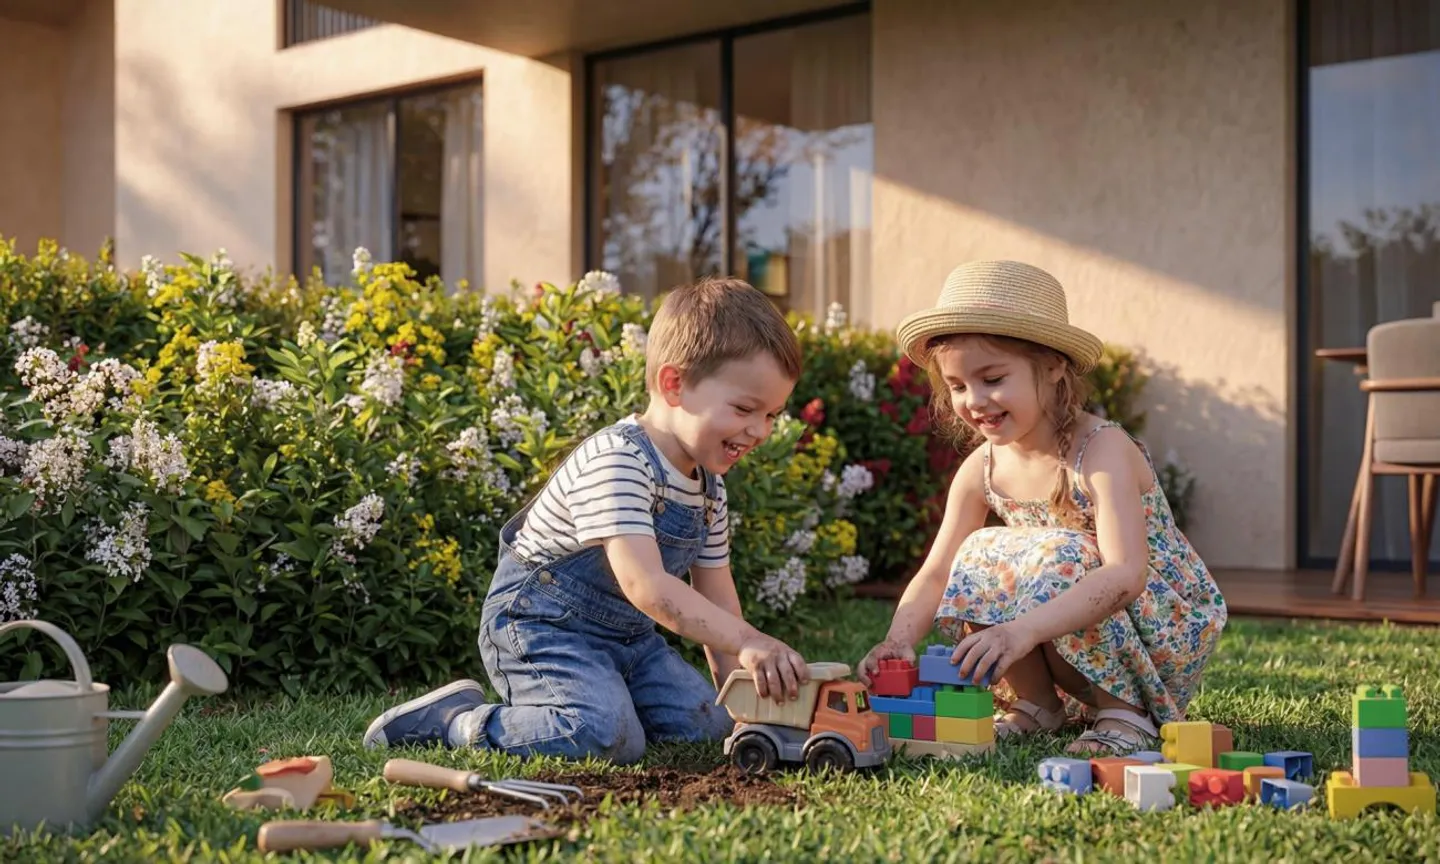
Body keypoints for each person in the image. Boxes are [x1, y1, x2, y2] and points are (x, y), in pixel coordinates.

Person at [363, 276, 812, 764]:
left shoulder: (709, 489)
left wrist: (744, 706)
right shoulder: (619, 460)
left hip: (629, 641)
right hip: (541, 627)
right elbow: (648, 588)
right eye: (746, 408)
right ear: (674, 384)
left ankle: (609, 698)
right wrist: (749, 641)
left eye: (772, 415)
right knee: (600, 734)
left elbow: (717, 599)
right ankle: (458, 722)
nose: (760, 430)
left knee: (710, 726)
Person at [857, 260, 1227, 756]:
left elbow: (1125, 575)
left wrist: (1022, 630)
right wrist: (898, 639)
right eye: (958, 385)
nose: (974, 401)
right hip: (1055, 630)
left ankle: (1125, 713)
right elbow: (939, 569)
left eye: (992, 378)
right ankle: (1038, 704)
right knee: (978, 551)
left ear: (1053, 366)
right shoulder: (981, 469)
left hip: (1159, 629)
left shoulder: (1101, 450)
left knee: (1064, 556)